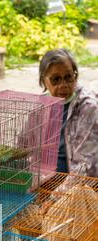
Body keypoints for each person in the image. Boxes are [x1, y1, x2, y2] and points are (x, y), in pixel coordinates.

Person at [39, 48, 98, 177]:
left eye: (68, 77)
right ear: (44, 80)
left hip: (76, 183)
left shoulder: (88, 108)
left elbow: (85, 166)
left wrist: (58, 195)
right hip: (44, 176)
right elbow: (26, 145)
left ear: (75, 75)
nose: (63, 85)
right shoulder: (41, 105)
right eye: (55, 79)